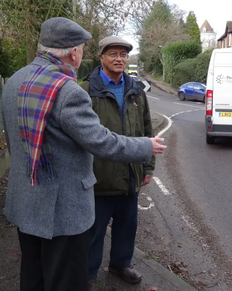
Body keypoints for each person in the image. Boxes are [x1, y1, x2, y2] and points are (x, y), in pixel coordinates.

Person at [1, 18, 166, 291]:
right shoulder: (68, 91)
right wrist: (146, 147)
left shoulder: (16, 80)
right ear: (74, 52)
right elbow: (101, 142)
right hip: (62, 211)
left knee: (33, 276)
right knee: (65, 281)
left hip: (25, 200)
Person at [80, 36, 155, 289]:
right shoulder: (86, 90)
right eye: (113, 53)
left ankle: (121, 264)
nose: (119, 58)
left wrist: (148, 167)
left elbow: (147, 130)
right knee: (94, 230)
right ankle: (89, 272)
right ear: (101, 58)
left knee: (127, 226)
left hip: (131, 173)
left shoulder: (136, 90)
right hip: (98, 175)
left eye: (123, 54)